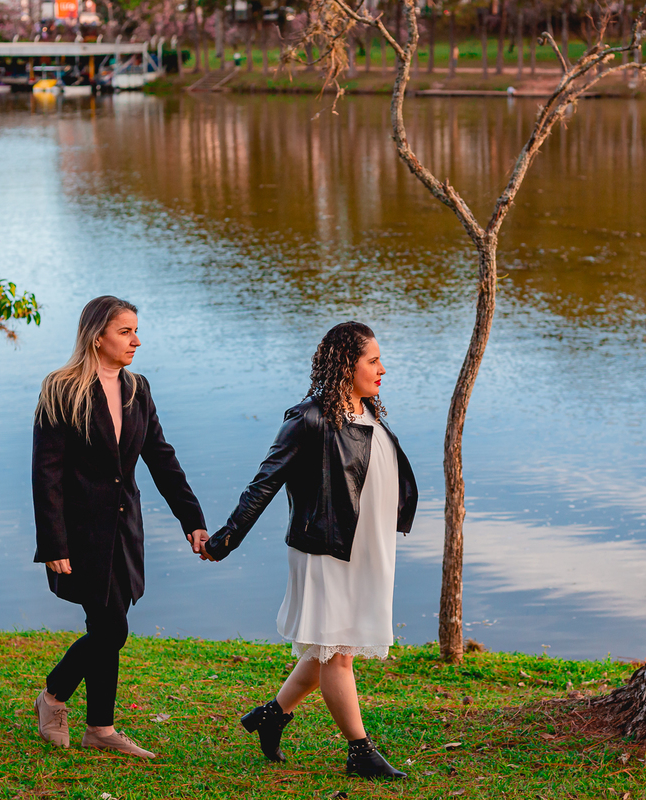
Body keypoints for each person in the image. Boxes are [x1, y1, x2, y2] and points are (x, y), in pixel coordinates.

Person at [202, 321, 418, 780]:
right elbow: (265, 482)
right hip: (326, 548)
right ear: (346, 364)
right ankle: (361, 752)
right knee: (337, 652)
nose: (383, 368)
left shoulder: (368, 412)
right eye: (373, 360)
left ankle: (270, 717)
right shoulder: (310, 419)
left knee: (329, 648)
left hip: (365, 550)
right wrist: (226, 537)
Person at [31, 296, 209, 758]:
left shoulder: (138, 389)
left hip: (125, 531)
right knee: (110, 628)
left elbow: (161, 459)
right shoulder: (60, 389)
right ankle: (58, 701)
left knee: (111, 625)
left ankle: (95, 726)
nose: (136, 340)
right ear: (98, 337)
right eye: (125, 331)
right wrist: (53, 541)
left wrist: (192, 520)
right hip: (79, 534)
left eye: (135, 330)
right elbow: (46, 473)